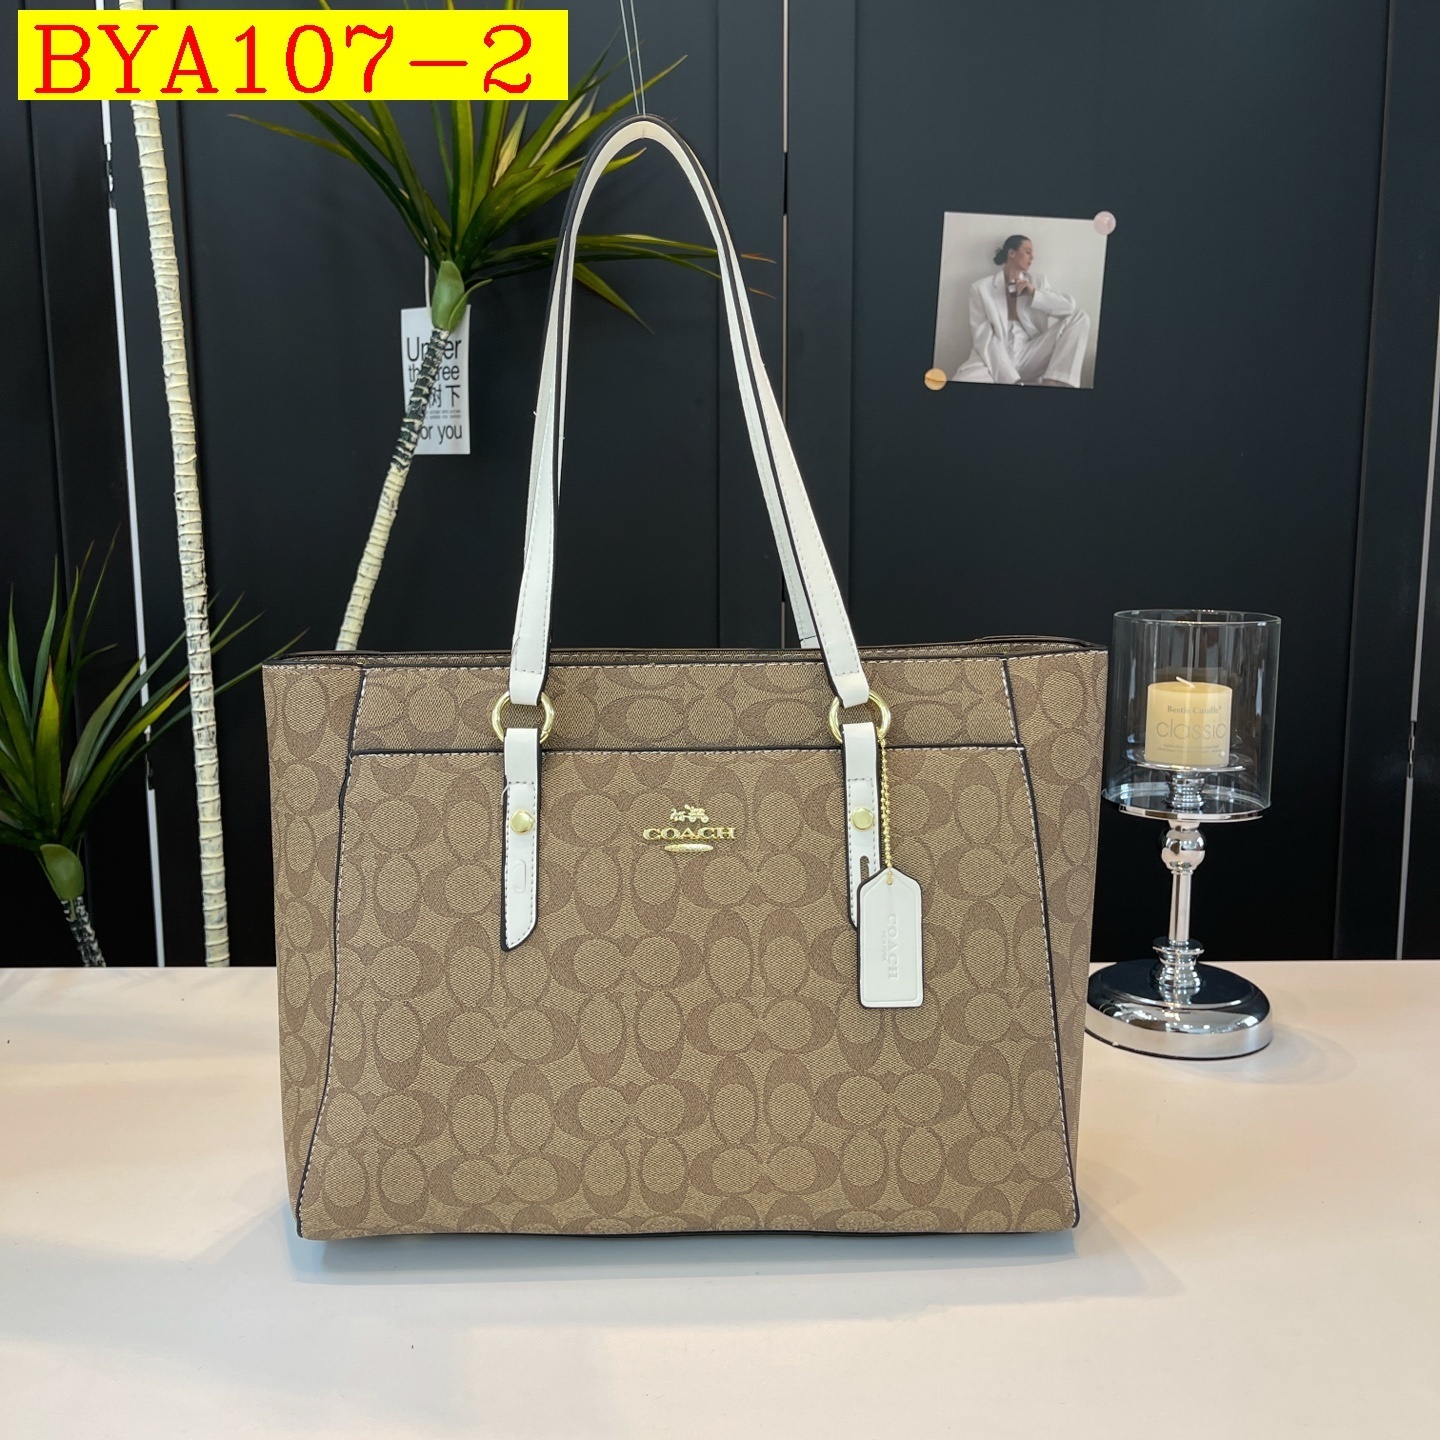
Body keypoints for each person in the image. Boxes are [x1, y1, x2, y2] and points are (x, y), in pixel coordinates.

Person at [952, 234, 1091, 387]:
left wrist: (1034, 294)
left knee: (1081, 317)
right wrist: (1011, 378)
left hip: (1030, 353)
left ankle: (1053, 381)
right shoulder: (980, 288)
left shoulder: (1038, 281)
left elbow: (1069, 307)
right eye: (1027, 251)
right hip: (995, 356)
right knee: (962, 380)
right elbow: (984, 337)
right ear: (1012, 253)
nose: (1032, 257)